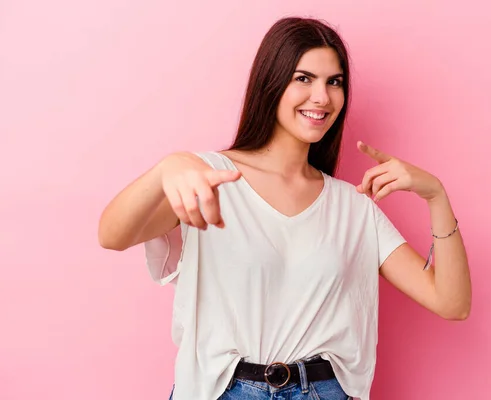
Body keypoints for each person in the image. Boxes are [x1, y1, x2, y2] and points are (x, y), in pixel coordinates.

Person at [98, 16, 471, 400]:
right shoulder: (211, 178)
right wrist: (167, 167)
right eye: (304, 78)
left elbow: (452, 303)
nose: (322, 97)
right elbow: (112, 235)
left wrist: (436, 196)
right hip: (222, 390)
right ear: (272, 82)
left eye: (335, 82)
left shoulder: (354, 208)